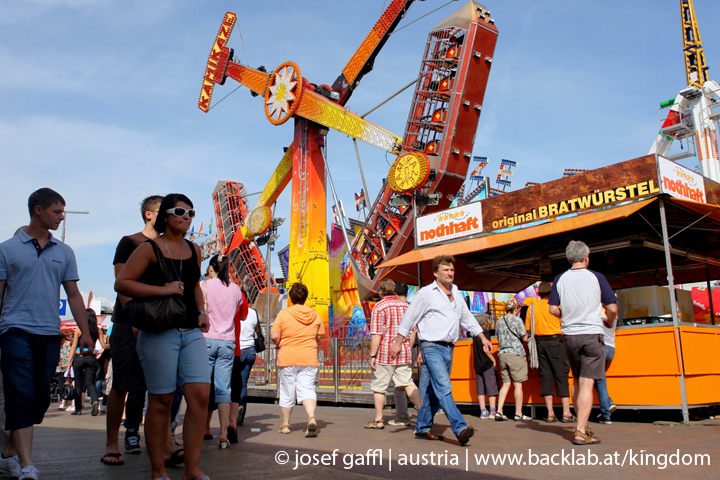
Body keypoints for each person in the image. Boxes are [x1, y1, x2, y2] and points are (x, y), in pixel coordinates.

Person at [0, 188, 94, 480]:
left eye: (63, 212)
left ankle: (7, 453)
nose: (61, 217)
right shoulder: (7, 249)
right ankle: (27, 465)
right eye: (57, 212)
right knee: (20, 394)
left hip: (49, 332)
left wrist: (87, 333)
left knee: (40, 399)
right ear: (38, 210)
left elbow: (75, 296)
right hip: (14, 329)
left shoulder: (65, 252)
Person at [115, 193, 211, 480]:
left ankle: (192, 469)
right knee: (161, 399)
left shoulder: (195, 250)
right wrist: (163, 289)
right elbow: (122, 283)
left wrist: (202, 311)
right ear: (165, 216)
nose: (187, 217)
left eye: (191, 213)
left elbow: (194, 285)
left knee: (200, 396)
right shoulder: (148, 248)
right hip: (159, 331)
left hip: (191, 330)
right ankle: (158, 471)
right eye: (180, 211)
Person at [390, 255, 492, 446]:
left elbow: (467, 318)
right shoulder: (426, 293)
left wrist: (483, 337)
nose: (450, 273)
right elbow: (409, 318)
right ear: (436, 273)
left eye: (452, 270)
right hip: (431, 347)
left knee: (433, 392)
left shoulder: (457, 293)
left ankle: (421, 427)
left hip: (448, 349)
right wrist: (398, 342)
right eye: (445, 270)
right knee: (444, 387)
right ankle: (460, 428)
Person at [104, 195, 172, 466]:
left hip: (159, 325)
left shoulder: (169, 247)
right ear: (148, 214)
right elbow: (121, 283)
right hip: (127, 323)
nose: (169, 217)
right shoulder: (129, 242)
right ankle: (113, 442)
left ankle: (164, 442)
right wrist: (133, 318)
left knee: (161, 387)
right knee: (122, 384)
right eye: (163, 212)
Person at [548, 240, 617, 446]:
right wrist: (608, 321)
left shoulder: (560, 279)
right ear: (586, 257)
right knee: (588, 383)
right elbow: (612, 308)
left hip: (569, 336)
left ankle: (583, 425)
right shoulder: (597, 277)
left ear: (569, 258)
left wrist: (567, 314)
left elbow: (552, 309)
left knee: (577, 381)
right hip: (591, 334)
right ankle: (579, 431)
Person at [201, 254, 246, 449]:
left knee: (203, 386)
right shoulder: (236, 289)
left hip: (208, 339)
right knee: (224, 389)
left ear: (212, 267)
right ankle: (222, 433)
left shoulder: (205, 286)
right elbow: (239, 313)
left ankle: (201, 428)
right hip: (228, 342)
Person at [365, 279, 422, 429]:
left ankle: (378, 419)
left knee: (379, 387)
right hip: (404, 352)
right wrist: (407, 349)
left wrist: (372, 355)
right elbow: (413, 332)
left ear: (382, 292)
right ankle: (423, 413)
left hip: (385, 353)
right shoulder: (406, 306)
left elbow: (376, 334)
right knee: (408, 383)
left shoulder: (379, 306)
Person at [270, 283, 325, 437]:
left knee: (288, 392)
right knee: (307, 389)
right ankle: (311, 417)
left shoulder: (284, 314)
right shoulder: (314, 314)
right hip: (309, 357)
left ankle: (286, 424)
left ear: (291, 297)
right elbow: (320, 335)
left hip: (288, 357)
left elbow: (274, 335)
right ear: (305, 297)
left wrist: (280, 344)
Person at [524, 282, 574, 423]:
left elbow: (528, 329)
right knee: (561, 375)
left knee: (545, 377)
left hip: (540, 344)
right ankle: (566, 413)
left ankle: (550, 413)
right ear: (551, 293)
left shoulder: (532, 307)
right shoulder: (556, 307)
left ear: (539, 293)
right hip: (556, 342)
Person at [494, 297, 531, 422]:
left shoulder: (499, 321)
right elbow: (524, 338)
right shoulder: (517, 320)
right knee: (517, 384)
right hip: (515, 353)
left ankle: (499, 411)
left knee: (505, 384)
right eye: (519, 308)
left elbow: (498, 337)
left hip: (502, 354)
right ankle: (518, 413)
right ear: (516, 308)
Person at [66, 309, 108, 416]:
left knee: (78, 384)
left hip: (79, 358)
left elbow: (73, 346)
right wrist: (113, 344)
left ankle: (78, 409)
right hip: (91, 358)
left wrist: (69, 362)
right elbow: (104, 346)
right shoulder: (97, 330)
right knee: (90, 383)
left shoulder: (79, 330)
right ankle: (94, 402)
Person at [227, 290, 256, 442]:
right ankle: (240, 411)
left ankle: (227, 415)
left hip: (235, 349)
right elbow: (256, 329)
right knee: (242, 384)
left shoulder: (231, 307)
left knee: (227, 384)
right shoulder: (253, 313)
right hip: (250, 350)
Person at [388, 281, 412, 426]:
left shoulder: (391, 307)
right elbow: (414, 331)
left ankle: (402, 414)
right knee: (408, 381)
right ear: (407, 293)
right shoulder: (410, 307)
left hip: (395, 347)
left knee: (401, 384)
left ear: (394, 293)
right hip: (411, 348)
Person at [472, 313, 498, 419]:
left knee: (481, 389)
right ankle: (492, 410)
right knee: (491, 388)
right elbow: (486, 349)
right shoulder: (485, 334)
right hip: (487, 364)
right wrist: (494, 360)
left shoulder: (475, 336)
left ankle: (483, 411)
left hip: (477, 365)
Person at [595, 305, 617, 424]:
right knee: (595, 379)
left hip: (601, 348)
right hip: (611, 348)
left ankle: (606, 414)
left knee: (599, 382)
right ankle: (608, 403)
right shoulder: (613, 314)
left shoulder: (597, 311)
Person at [56, 330, 74, 411]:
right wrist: (59, 363)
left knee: (68, 383)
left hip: (68, 366)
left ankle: (65, 400)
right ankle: (63, 400)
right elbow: (57, 353)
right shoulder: (61, 344)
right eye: (71, 335)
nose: (72, 336)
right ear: (67, 336)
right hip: (61, 366)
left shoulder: (72, 343)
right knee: (62, 384)